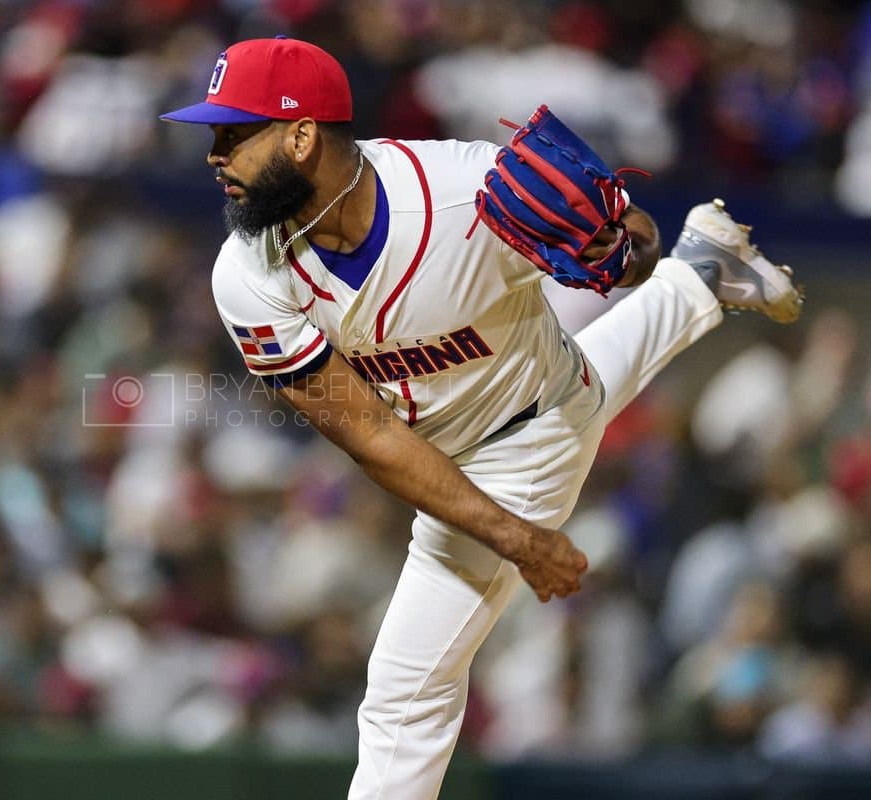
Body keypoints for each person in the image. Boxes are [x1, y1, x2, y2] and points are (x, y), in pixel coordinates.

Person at [160, 36, 802, 800]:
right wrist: (517, 539)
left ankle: (691, 275)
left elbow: (628, 240)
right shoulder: (248, 274)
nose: (214, 154)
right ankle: (702, 273)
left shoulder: (465, 193)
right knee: (592, 386)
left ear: (301, 136)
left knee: (405, 693)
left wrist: (624, 247)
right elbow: (367, 433)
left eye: (232, 133)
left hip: (526, 439)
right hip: (486, 425)